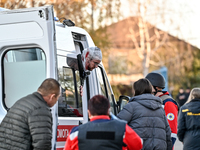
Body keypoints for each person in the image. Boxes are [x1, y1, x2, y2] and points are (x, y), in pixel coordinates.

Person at [64, 95, 143, 150]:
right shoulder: (122, 129)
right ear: (108, 110)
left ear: (89, 112)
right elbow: (138, 145)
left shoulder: (76, 133)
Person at [0, 78, 60, 150]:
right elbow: (42, 144)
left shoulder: (22, 101)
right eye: (57, 98)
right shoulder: (40, 109)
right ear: (52, 97)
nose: (56, 101)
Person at [117, 78, 172, 150]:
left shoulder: (131, 106)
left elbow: (117, 125)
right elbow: (168, 133)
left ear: (136, 90)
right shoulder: (160, 109)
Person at [146, 72, 178, 149]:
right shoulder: (152, 100)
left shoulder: (168, 103)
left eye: (148, 87)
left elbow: (172, 131)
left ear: (155, 87)